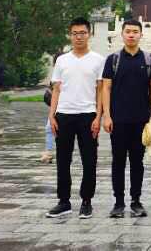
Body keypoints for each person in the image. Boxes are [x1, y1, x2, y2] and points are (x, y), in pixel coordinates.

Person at [46, 17, 104, 219]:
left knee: (89, 160)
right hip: (64, 115)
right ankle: (64, 201)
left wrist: (98, 117)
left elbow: (100, 91)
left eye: (82, 33)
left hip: (88, 115)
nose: (79, 37)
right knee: (63, 160)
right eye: (75, 33)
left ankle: (86, 201)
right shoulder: (62, 60)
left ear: (89, 34)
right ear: (70, 35)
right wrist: (52, 115)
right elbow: (56, 89)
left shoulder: (98, 60)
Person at [102, 19, 151, 218]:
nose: (131, 35)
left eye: (135, 31)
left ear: (141, 34)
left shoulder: (148, 60)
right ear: (122, 34)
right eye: (128, 31)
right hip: (118, 120)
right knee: (118, 162)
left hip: (141, 122)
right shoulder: (113, 60)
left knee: (137, 162)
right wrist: (107, 116)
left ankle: (136, 201)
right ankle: (118, 202)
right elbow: (106, 88)